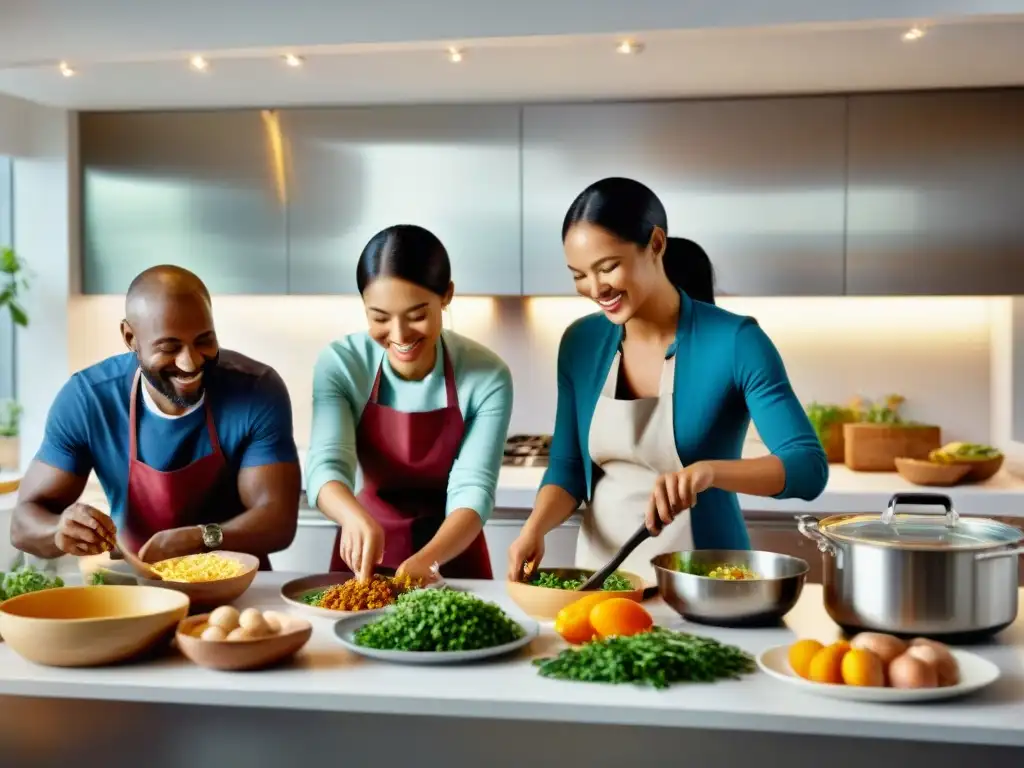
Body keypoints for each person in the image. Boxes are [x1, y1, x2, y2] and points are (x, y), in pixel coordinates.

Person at [507, 177, 828, 583]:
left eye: (607, 268)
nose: (595, 288)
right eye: (578, 275)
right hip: (601, 579)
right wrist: (534, 528)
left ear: (656, 244)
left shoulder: (735, 341)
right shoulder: (580, 343)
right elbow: (568, 467)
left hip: (705, 580)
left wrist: (710, 472)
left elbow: (808, 466)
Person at [9, 266, 301, 569]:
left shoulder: (257, 389)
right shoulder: (88, 400)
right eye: (169, 347)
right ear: (130, 337)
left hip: (237, 585)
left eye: (203, 340)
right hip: (137, 585)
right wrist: (57, 531)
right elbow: (22, 524)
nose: (190, 362)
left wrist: (202, 537)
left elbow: (277, 521)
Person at [305, 224, 513, 583]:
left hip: (453, 551)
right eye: (379, 318)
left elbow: (473, 486)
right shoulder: (342, 363)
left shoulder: (487, 375)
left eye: (417, 315)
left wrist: (429, 560)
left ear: (446, 295)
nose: (399, 336)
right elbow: (326, 465)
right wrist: (352, 517)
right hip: (364, 553)